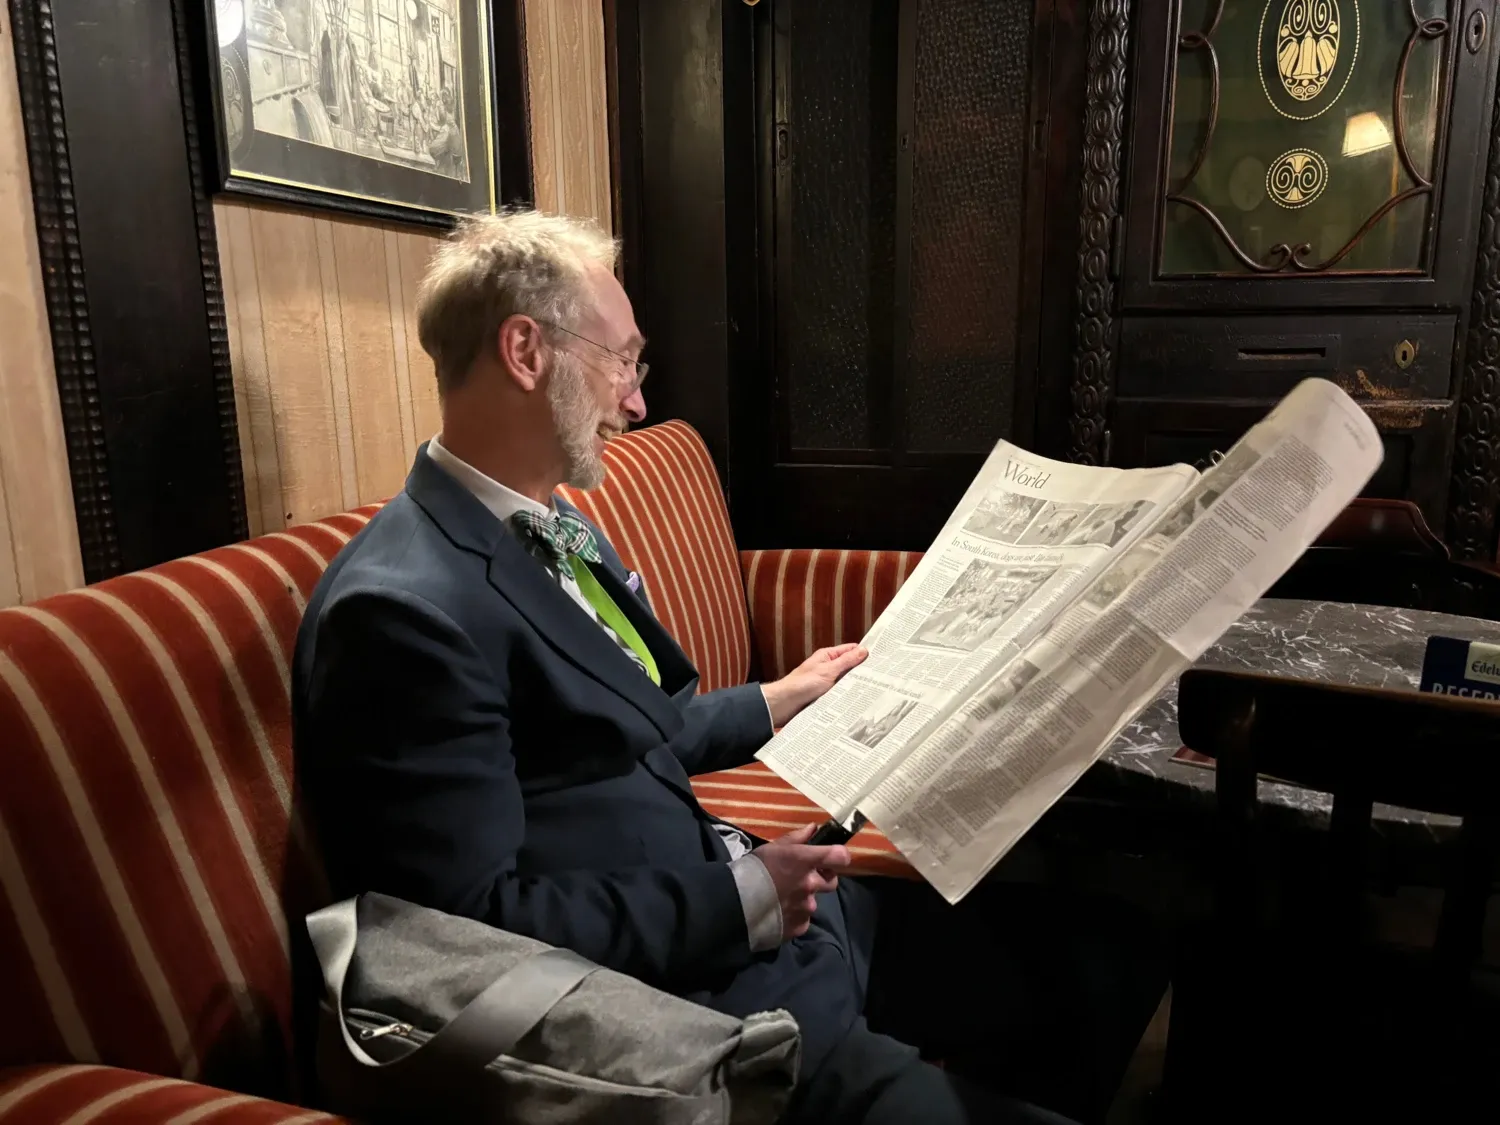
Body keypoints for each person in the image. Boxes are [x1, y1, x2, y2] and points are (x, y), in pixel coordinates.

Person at [292, 210, 1165, 1124]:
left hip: (784, 924)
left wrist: (783, 697)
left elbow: (627, 724)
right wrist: (740, 898)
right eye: (622, 360)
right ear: (525, 352)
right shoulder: (403, 614)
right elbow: (470, 929)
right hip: (709, 1019)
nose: (635, 400)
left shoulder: (548, 520)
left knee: (1112, 948)